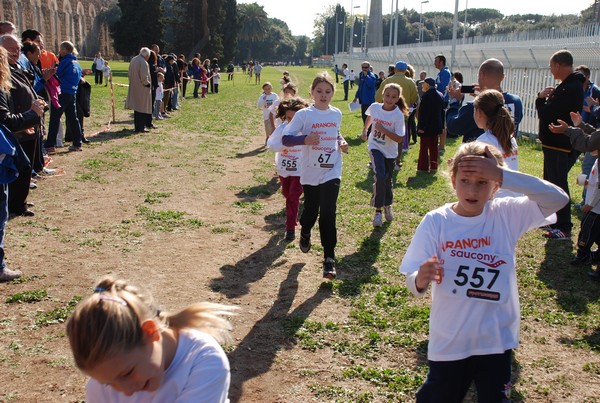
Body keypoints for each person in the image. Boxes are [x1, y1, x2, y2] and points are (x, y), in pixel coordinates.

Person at [400, 141, 568, 403]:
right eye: (465, 180)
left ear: (496, 187)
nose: (472, 190)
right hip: (450, 339)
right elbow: (411, 277)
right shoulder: (437, 221)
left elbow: (558, 198)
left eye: (483, 182)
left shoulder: (506, 214)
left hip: (495, 340)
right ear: (453, 181)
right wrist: (420, 279)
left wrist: (502, 173)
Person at [66, 277, 235, 402]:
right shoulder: (100, 383)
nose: (126, 391)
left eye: (128, 373)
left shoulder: (204, 361)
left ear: (150, 331)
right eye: (109, 384)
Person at [282, 72, 348, 279]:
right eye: (319, 91)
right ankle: (305, 231)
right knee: (311, 211)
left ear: (332, 93)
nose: (323, 95)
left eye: (328, 91)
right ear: (312, 93)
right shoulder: (304, 115)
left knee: (329, 213)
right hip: (310, 171)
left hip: (332, 168)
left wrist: (341, 141)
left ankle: (329, 259)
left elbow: (335, 133)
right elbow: (286, 139)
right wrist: (305, 140)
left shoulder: (336, 113)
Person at [536, 49, 585, 240]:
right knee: (551, 182)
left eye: (551, 66)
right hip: (553, 142)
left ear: (558, 65)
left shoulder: (570, 87)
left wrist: (540, 100)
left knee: (558, 183)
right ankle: (553, 219)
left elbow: (548, 113)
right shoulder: (567, 86)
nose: (550, 70)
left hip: (559, 142)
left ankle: (563, 226)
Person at [361, 83, 406, 227]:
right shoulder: (375, 107)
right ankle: (378, 212)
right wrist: (365, 130)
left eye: (393, 97)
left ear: (397, 98)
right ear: (382, 95)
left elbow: (399, 139)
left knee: (387, 179)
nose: (389, 99)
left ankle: (388, 204)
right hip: (375, 146)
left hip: (390, 152)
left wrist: (383, 129)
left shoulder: (398, 115)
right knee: (380, 175)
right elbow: (370, 117)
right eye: (387, 95)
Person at [446, 58, 523, 143]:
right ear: (502, 77)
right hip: (507, 152)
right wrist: (484, 95)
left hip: (479, 153)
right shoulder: (516, 101)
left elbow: (453, 127)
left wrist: (454, 101)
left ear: (481, 75)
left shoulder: (475, 107)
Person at [266, 97, 310, 241]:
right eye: (289, 117)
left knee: (293, 195)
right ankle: (292, 218)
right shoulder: (283, 128)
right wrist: (286, 145)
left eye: (295, 118)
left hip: (300, 170)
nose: (292, 121)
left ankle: (290, 227)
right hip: (284, 169)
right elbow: (271, 144)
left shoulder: (306, 129)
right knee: (286, 193)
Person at [44, 41, 83, 152]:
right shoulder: (76, 62)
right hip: (72, 93)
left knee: (55, 118)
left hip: (62, 93)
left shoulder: (65, 62)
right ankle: (77, 142)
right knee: (73, 118)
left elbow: (57, 75)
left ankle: (50, 144)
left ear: (64, 50)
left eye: (61, 49)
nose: (59, 52)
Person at [416, 78, 443, 173]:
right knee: (434, 147)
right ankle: (434, 166)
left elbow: (424, 113)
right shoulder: (440, 95)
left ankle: (423, 167)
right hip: (436, 126)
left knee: (424, 148)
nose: (422, 86)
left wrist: (421, 127)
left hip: (426, 127)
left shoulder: (426, 96)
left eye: (423, 84)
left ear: (427, 84)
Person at [126, 48, 153, 133]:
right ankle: (141, 127)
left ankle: (137, 127)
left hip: (134, 86)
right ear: (147, 55)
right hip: (142, 88)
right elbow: (144, 77)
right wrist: (148, 84)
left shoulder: (134, 59)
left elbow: (129, 73)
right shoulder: (143, 62)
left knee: (137, 109)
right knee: (142, 109)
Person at [353, 62, 377, 136]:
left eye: (366, 67)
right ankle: (366, 132)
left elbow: (371, 84)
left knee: (368, 117)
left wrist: (366, 76)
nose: (364, 69)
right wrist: (356, 96)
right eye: (362, 67)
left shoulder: (372, 75)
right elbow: (360, 86)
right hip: (363, 99)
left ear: (369, 67)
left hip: (369, 100)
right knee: (364, 116)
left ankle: (369, 133)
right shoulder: (361, 74)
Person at [434, 54, 452, 154]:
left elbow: (445, 88)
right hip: (440, 100)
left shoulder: (444, 73)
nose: (434, 63)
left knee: (441, 124)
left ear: (441, 62)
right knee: (439, 123)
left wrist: (440, 99)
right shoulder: (441, 72)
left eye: (436, 61)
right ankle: (439, 144)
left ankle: (442, 146)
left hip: (442, 101)